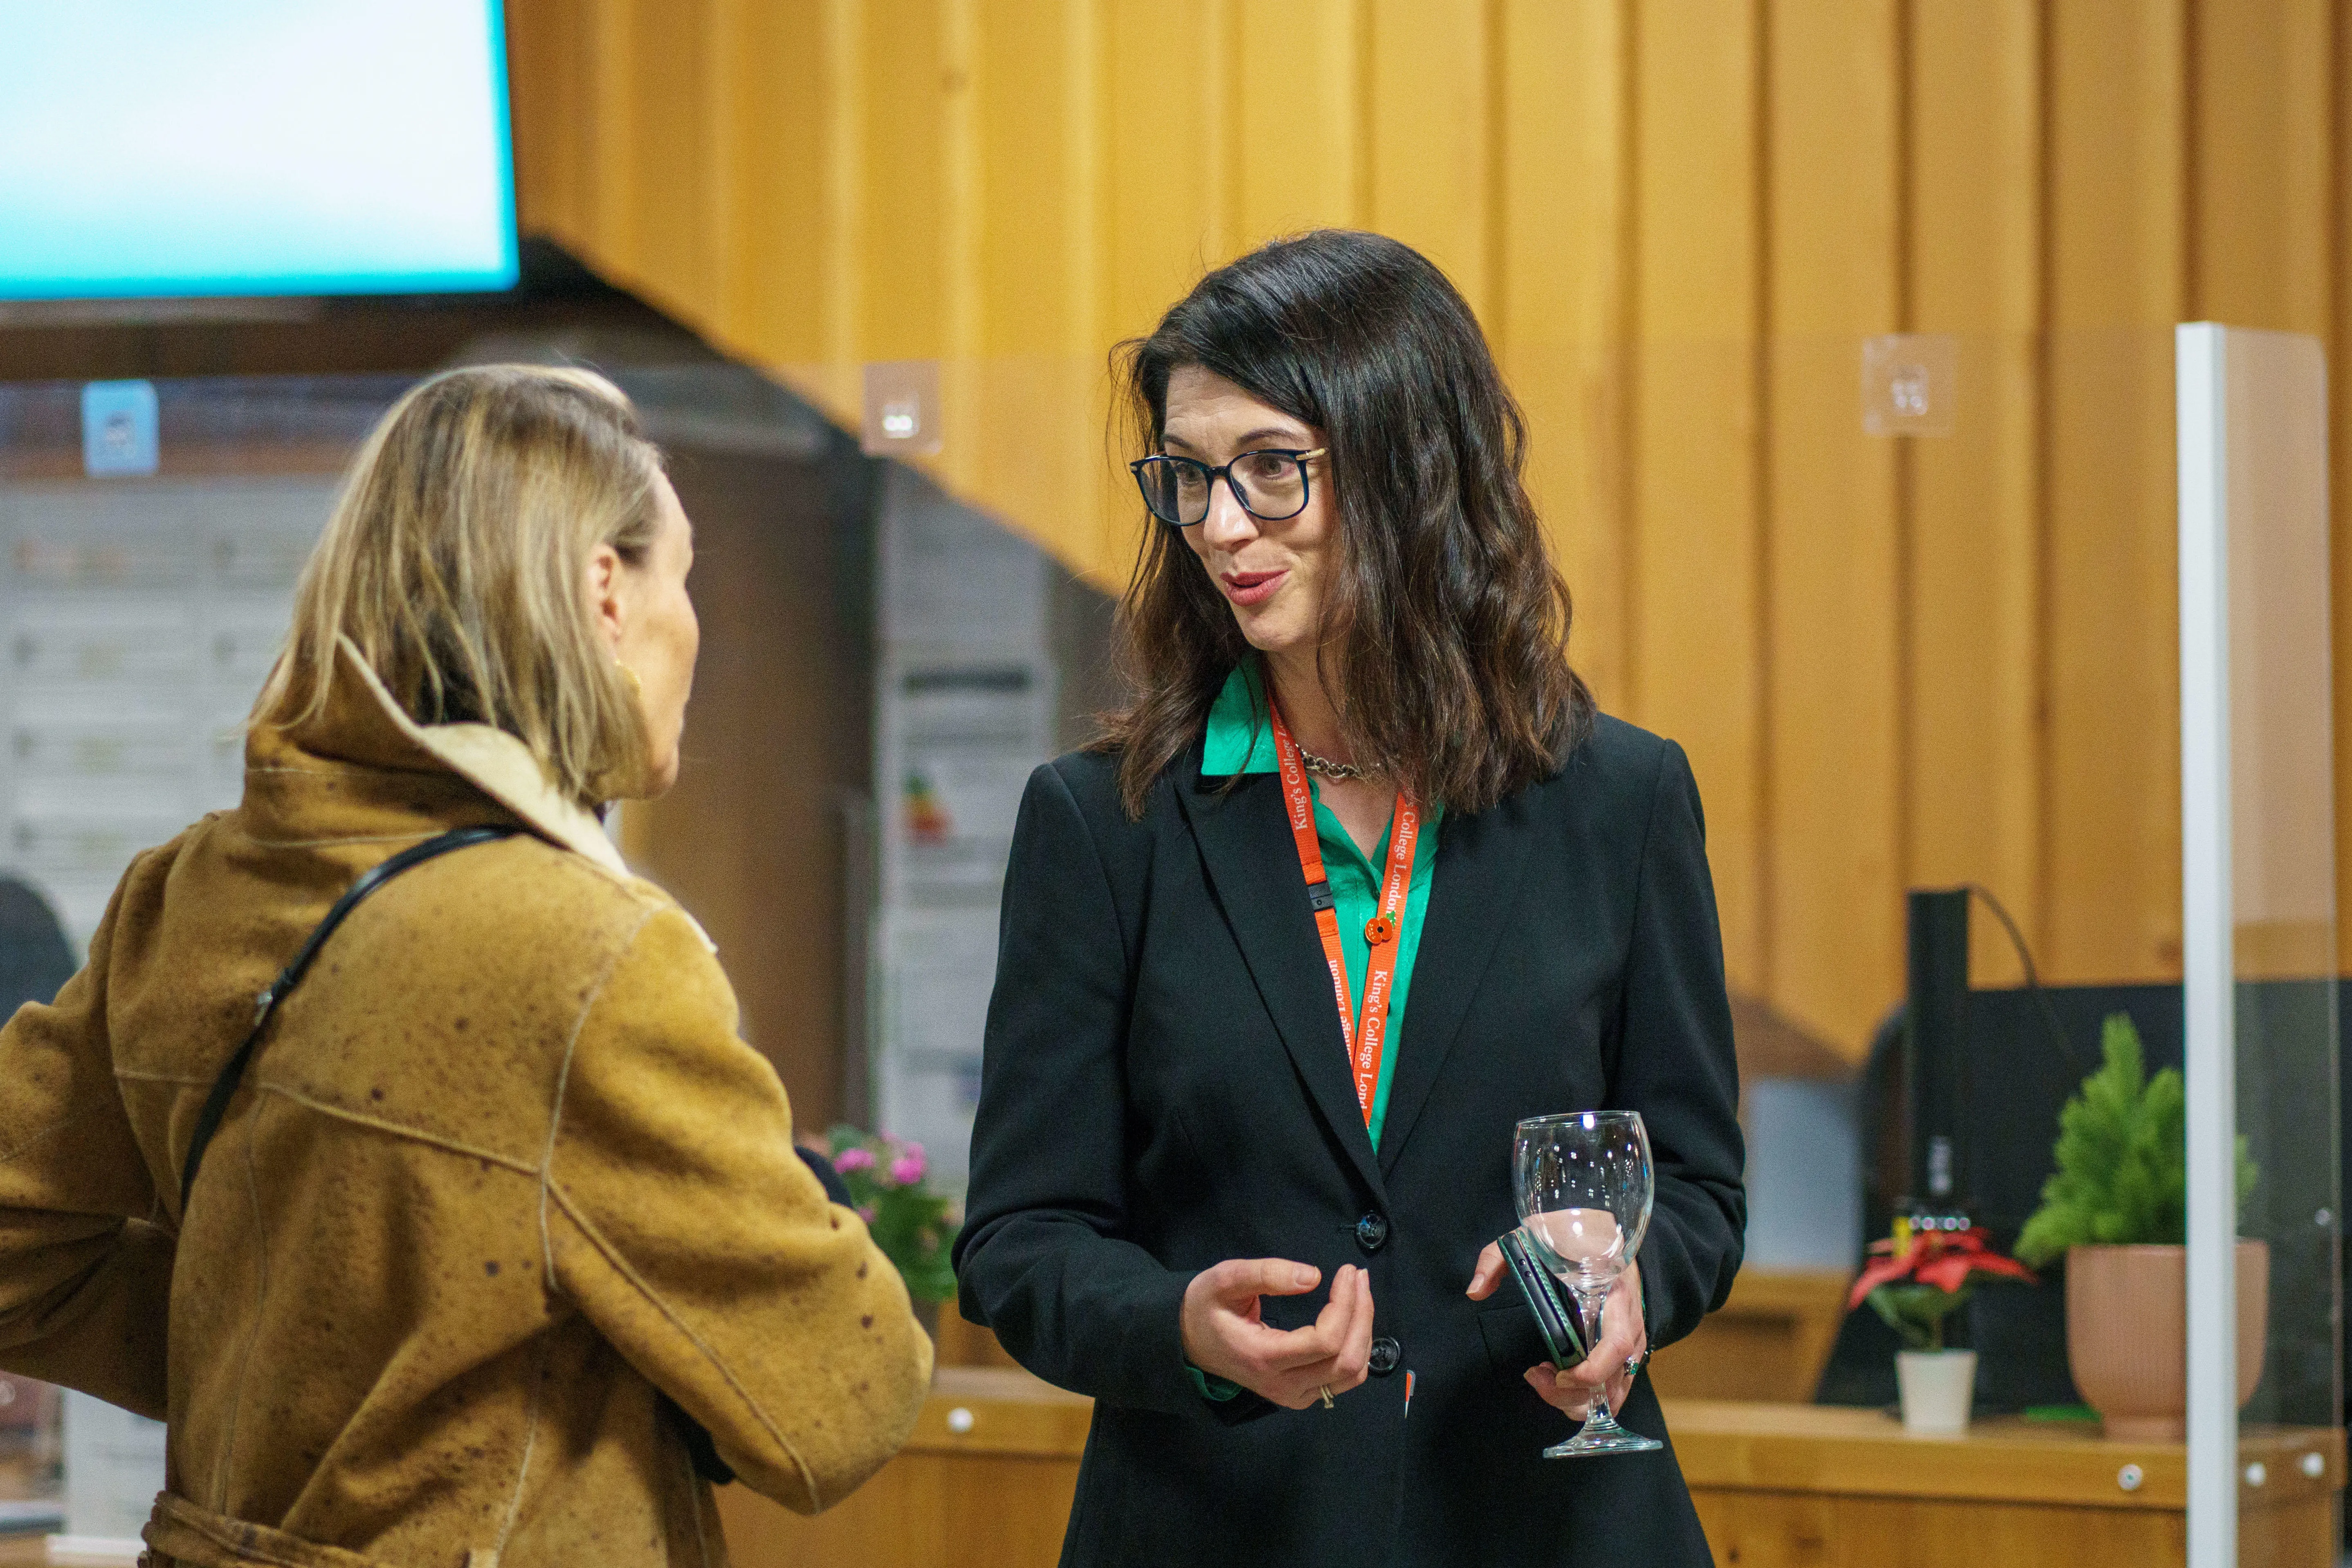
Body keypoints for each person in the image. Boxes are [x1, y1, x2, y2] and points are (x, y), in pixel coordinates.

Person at [0, 366, 931, 1568]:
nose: (693, 626)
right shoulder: (588, 952)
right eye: (682, 575)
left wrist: (281, 1358)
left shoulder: (190, 892)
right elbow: (840, 1402)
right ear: (604, 590)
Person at [954, 231, 1745, 1565]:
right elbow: (1022, 1243)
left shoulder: (1619, 800)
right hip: (1219, 1527)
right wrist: (1178, 1331)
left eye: (1273, 470)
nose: (1220, 526)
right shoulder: (1104, 825)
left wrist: (1628, 1292)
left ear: (1408, 467)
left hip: (1543, 1524)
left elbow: (1699, 1189)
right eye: (1190, 477)